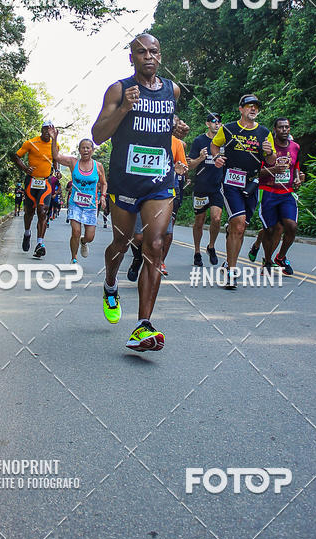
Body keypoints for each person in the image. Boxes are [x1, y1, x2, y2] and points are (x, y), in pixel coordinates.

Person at [91, 33, 188, 352]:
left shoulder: (171, 90)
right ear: (131, 57)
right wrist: (124, 109)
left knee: (155, 245)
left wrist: (175, 126)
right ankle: (109, 285)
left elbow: (162, 122)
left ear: (161, 56)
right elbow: (98, 134)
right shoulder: (119, 89)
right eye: (141, 52)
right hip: (125, 181)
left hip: (159, 181)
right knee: (120, 242)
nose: (148, 56)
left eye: (154, 51)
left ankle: (142, 325)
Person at [212, 94, 276, 289]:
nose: (253, 109)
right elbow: (215, 145)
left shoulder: (264, 133)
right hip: (231, 181)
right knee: (239, 226)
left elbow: (272, 162)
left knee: (240, 227)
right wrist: (217, 158)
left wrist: (269, 152)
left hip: (251, 184)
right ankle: (231, 272)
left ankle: (227, 260)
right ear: (241, 109)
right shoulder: (229, 129)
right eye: (249, 106)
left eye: (256, 106)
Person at [127, 132, 188, 281]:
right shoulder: (140, 136)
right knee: (138, 236)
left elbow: (183, 165)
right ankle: (137, 259)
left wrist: (180, 169)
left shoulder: (176, 143)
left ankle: (157, 263)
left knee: (165, 235)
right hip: (141, 189)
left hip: (164, 191)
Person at [248, 118, 305, 274]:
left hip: (287, 193)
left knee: (291, 226)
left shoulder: (295, 147)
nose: (284, 130)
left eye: (287, 127)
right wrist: (273, 170)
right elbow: (255, 172)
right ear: (275, 129)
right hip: (268, 191)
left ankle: (281, 256)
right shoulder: (266, 147)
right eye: (281, 127)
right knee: (270, 229)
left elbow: (296, 167)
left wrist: (298, 178)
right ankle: (267, 261)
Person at [52, 136, 107, 263]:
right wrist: (54, 138)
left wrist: (103, 197)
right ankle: (74, 258)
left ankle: (83, 242)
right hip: (75, 204)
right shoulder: (73, 162)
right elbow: (56, 156)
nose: (86, 150)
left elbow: (104, 183)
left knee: (90, 236)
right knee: (75, 231)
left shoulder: (98, 166)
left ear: (92, 150)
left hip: (91, 205)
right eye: (83, 148)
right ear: (79, 150)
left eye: (88, 148)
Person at [11, 121, 58, 257]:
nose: (47, 132)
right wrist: (25, 168)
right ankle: (27, 233)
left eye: (50, 130)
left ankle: (40, 243)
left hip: (46, 182)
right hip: (31, 181)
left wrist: (57, 170)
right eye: (45, 129)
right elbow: (16, 156)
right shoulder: (31, 143)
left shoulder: (55, 145)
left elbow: (55, 159)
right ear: (41, 130)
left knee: (42, 211)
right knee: (29, 211)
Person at [187, 113, 225, 267]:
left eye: (219, 122)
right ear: (208, 124)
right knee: (199, 221)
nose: (217, 124)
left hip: (218, 186)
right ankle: (197, 252)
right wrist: (200, 158)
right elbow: (189, 166)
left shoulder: (224, 141)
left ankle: (211, 246)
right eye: (214, 122)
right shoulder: (199, 141)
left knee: (216, 219)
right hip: (202, 186)